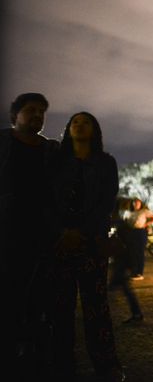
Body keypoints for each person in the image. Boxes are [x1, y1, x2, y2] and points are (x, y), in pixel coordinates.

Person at [51, 111, 124, 381]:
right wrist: (62, 230)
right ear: (68, 129)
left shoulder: (105, 163)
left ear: (95, 130)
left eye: (86, 122)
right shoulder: (57, 161)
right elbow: (48, 199)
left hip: (92, 242)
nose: (80, 125)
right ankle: (62, 364)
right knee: (61, 307)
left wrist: (82, 231)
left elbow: (106, 200)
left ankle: (106, 365)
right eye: (75, 122)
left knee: (97, 306)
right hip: (59, 242)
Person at [0, 93, 59, 376]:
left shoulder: (51, 151)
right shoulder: (3, 143)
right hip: (8, 234)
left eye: (41, 112)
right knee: (9, 296)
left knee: (40, 299)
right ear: (15, 116)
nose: (37, 115)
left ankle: (37, 357)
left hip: (43, 236)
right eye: (31, 110)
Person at [108, 197, 144, 324]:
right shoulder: (121, 222)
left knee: (117, 287)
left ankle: (135, 313)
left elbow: (128, 245)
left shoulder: (120, 223)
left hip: (122, 260)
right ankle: (136, 313)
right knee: (122, 287)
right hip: (122, 260)